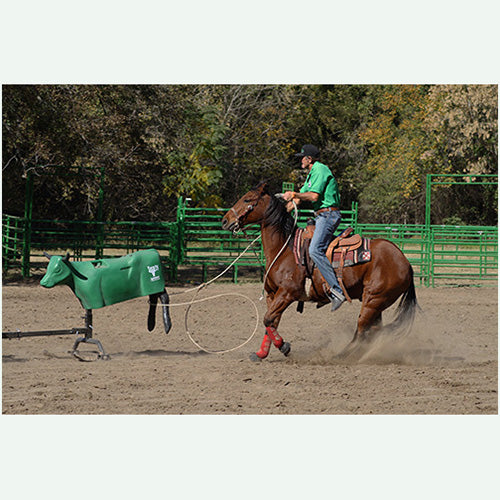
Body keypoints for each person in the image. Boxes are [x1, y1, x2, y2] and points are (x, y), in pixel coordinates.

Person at [282, 144, 345, 311]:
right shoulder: (312, 174)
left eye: (301, 157)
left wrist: (294, 194)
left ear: (309, 159)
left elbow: (313, 195)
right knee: (305, 245)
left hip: (328, 215)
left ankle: (336, 291)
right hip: (321, 216)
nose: (300, 160)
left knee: (315, 249)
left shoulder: (320, 170)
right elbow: (299, 199)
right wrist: (281, 211)